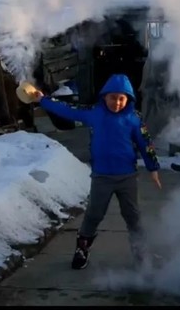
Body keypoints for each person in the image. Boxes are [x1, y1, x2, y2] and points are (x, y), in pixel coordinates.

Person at [28, 73, 162, 270]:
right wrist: (43, 100)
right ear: (104, 96)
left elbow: (145, 143)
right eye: (113, 97)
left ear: (128, 99)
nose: (117, 102)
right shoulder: (94, 113)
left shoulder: (134, 118)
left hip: (127, 177)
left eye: (121, 98)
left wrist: (153, 168)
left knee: (133, 216)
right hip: (102, 177)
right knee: (94, 215)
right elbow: (68, 110)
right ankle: (82, 248)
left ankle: (141, 252)